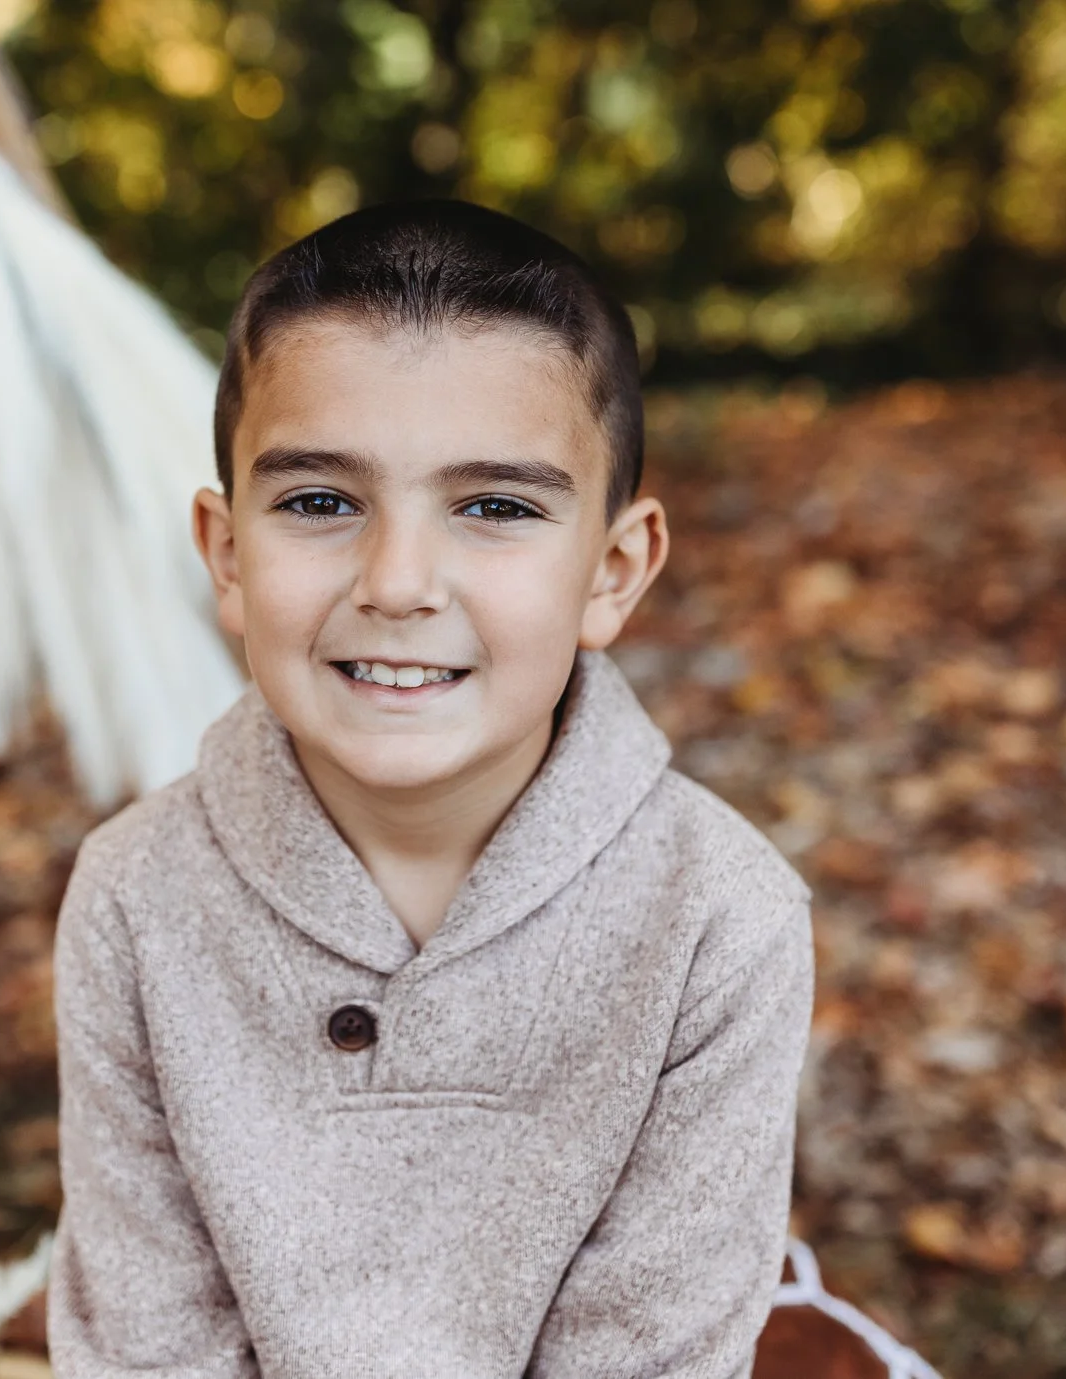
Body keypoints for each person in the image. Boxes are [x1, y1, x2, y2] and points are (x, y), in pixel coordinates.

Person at [45, 198, 816, 1377]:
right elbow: (148, 1344)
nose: (398, 580)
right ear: (228, 554)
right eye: (319, 501)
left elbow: (650, 1353)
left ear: (611, 572)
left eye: (494, 507)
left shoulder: (720, 917)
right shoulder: (133, 896)